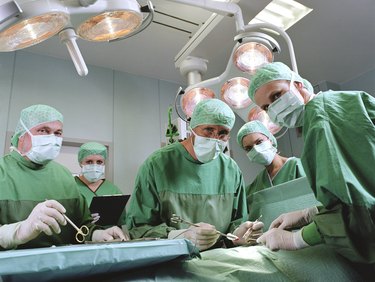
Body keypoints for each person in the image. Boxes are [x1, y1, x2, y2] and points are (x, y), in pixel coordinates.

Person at [247, 62, 375, 265]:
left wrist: (296, 239)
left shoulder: (322, 118)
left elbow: (357, 210)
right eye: (265, 107)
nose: (273, 108)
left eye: (277, 96)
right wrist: (311, 213)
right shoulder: (336, 105)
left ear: (298, 85)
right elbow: (364, 182)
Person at [126, 99, 263, 251]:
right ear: (192, 128)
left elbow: (237, 220)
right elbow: (138, 227)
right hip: (172, 259)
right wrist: (177, 236)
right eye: (208, 130)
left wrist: (238, 235)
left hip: (218, 258)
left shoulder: (231, 170)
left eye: (222, 133)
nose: (215, 138)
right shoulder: (157, 165)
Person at [0, 104, 128, 250]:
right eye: (43, 131)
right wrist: (18, 232)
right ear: (21, 135)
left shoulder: (64, 175)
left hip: (63, 268)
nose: (52, 138)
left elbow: (82, 225)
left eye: (58, 133)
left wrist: (97, 234)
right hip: (12, 269)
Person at [237, 120, 306, 200]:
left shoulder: (296, 166)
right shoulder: (259, 181)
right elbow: (242, 201)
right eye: (249, 148)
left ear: (270, 140)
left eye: (259, 142)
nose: (256, 149)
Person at [75, 142, 126, 226]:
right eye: (89, 162)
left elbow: (121, 222)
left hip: (109, 237)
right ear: (81, 162)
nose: (94, 166)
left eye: (99, 162)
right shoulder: (70, 187)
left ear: (104, 163)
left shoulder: (113, 190)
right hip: (79, 237)